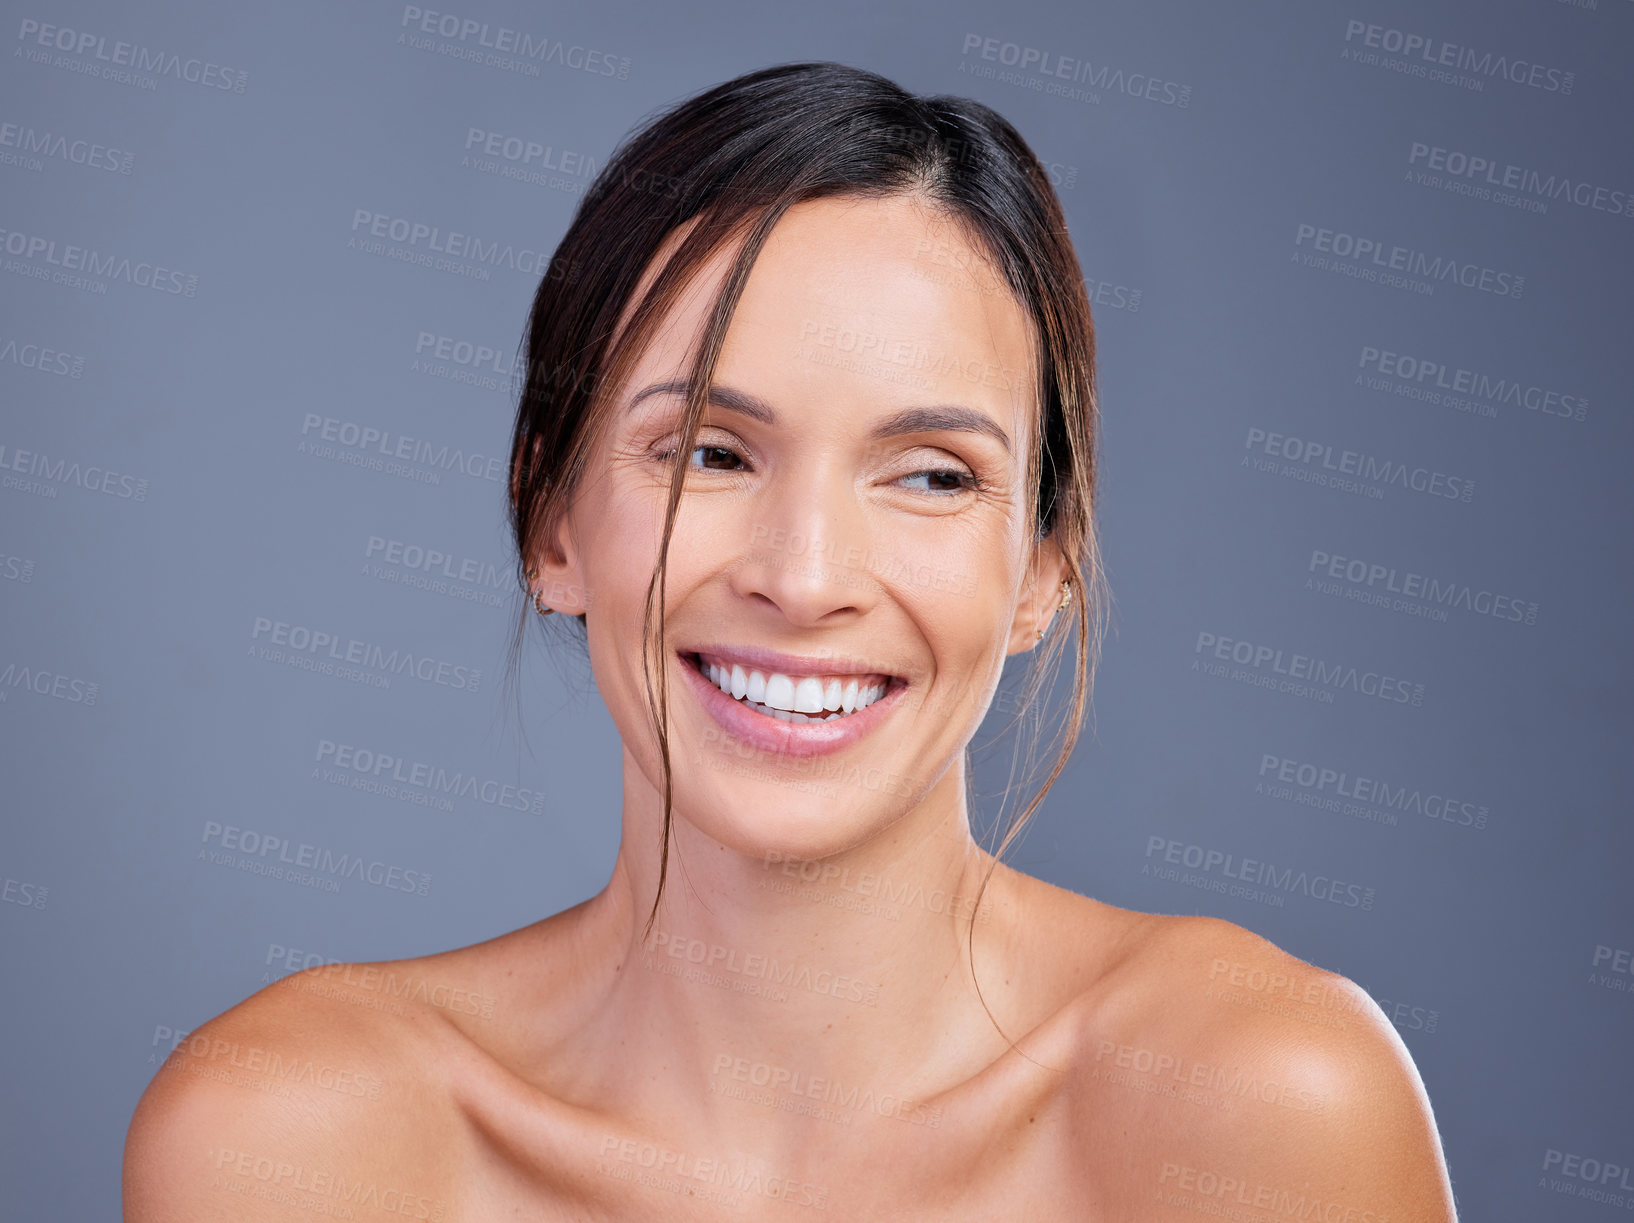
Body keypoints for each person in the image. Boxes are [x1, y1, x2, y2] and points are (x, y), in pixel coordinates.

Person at [124, 62, 1458, 1219]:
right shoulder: (292, 1136)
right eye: (709, 452)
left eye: (930, 474)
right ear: (551, 524)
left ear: (1046, 562)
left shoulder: (1263, 1100)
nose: (804, 577)